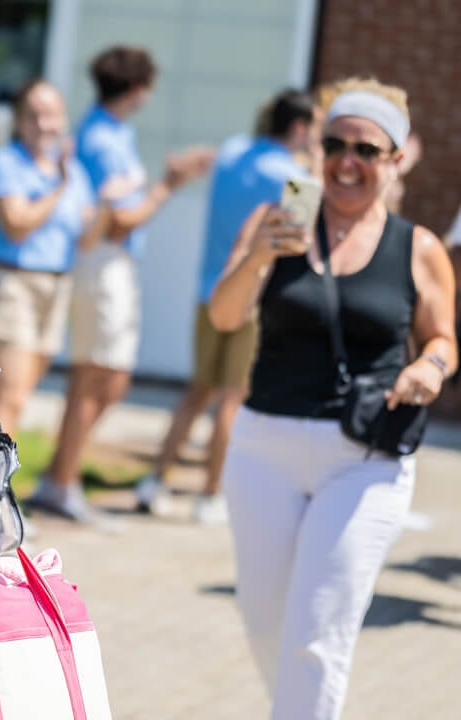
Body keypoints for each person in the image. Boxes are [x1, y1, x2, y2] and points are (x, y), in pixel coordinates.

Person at [209, 77, 456, 719]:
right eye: (335, 145)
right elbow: (225, 317)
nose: (347, 162)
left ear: (395, 159)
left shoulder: (418, 247)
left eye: (366, 151)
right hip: (264, 446)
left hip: (363, 459)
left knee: (318, 633)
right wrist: (259, 256)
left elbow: (443, 339)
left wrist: (429, 367)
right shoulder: (277, 221)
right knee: (265, 623)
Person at [25, 45, 213, 525]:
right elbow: (121, 220)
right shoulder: (106, 140)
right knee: (106, 378)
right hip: (104, 262)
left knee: (94, 378)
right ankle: (62, 482)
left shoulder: (103, 130)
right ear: (136, 89)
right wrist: (169, 185)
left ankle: (59, 480)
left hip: (100, 263)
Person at [134, 89, 321, 524]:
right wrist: (311, 160)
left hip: (209, 290)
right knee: (233, 399)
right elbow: (305, 238)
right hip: (253, 297)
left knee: (198, 391)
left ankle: (154, 480)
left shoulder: (234, 151)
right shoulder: (296, 178)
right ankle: (210, 495)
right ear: (298, 128)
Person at [0, 79, 94, 436]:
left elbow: (88, 235)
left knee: (17, 399)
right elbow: (16, 225)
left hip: (56, 285)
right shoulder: (7, 161)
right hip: (15, 284)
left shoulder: (74, 170)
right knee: (10, 400)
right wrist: (58, 186)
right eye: (34, 115)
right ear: (19, 120)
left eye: (52, 115)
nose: (44, 124)